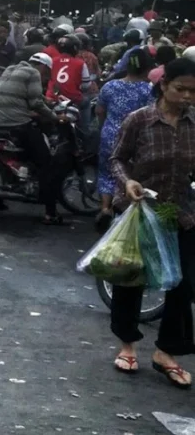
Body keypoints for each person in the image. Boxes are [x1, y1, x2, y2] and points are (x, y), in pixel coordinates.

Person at [108, 57, 195, 387]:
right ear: (164, 85)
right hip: (141, 209)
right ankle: (127, 344)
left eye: (193, 92)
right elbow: (117, 159)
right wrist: (127, 181)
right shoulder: (139, 120)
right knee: (132, 278)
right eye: (181, 89)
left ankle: (166, 351)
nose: (187, 97)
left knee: (184, 283)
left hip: (181, 212)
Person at [0, 53, 64, 225]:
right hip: (17, 124)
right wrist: (55, 117)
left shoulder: (11, 69)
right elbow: (35, 103)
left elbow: (28, 95)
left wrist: (48, 101)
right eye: (47, 73)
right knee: (46, 162)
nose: (46, 78)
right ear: (43, 67)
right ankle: (50, 213)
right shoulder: (33, 73)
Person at [94, 47, 154, 231]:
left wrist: (105, 128)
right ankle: (123, 213)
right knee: (129, 175)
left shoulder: (110, 86)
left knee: (106, 172)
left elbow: (100, 111)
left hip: (109, 134)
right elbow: (151, 115)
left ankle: (105, 208)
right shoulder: (148, 90)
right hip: (135, 139)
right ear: (147, 69)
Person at [47, 35, 91, 104]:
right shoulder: (80, 63)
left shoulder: (51, 61)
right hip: (73, 98)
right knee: (87, 102)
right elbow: (86, 85)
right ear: (75, 48)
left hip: (52, 98)